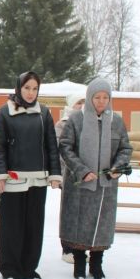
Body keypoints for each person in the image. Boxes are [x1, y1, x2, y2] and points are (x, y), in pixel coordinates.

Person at [57, 78, 134, 279]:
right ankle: (79, 264)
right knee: (79, 223)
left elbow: (125, 148)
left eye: (105, 98)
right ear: (89, 98)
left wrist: (118, 167)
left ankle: (97, 264)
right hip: (80, 183)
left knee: (101, 223)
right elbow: (65, 147)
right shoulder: (76, 120)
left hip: (106, 185)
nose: (101, 102)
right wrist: (81, 170)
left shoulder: (116, 121)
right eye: (97, 97)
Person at [0, 71, 62, 279]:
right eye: (27, 88)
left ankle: (29, 267)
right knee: (11, 225)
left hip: (38, 179)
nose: (31, 93)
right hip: (13, 180)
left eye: (35, 89)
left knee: (34, 225)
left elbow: (51, 146)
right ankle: (9, 267)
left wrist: (55, 174)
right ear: (18, 88)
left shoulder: (44, 113)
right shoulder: (5, 112)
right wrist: (0, 176)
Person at [55, 91, 85, 264]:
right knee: (69, 213)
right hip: (68, 174)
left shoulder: (90, 122)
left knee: (84, 213)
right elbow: (60, 149)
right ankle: (67, 249)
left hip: (87, 175)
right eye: (78, 103)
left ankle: (80, 247)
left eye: (83, 102)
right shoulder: (62, 124)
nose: (81, 106)